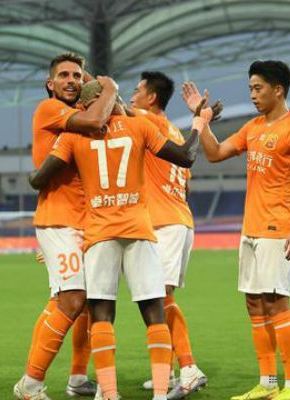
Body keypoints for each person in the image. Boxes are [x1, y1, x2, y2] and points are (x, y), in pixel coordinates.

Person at [29, 80, 219, 400]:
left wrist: (36, 180)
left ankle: (109, 393)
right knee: (154, 311)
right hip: (139, 229)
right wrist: (199, 124)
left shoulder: (73, 136)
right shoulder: (140, 126)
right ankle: (161, 393)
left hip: (99, 233)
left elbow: (39, 179)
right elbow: (187, 156)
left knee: (101, 315)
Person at [181, 59, 290, 400]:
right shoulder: (253, 127)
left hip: (277, 228)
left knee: (277, 304)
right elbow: (214, 153)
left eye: (258, 88)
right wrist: (201, 119)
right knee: (255, 305)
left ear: (278, 90)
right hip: (251, 228)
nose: (253, 95)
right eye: (250, 89)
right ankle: (268, 383)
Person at [14, 52, 119, 399]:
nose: (71, 81)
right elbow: (97, 120)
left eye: (77, 75)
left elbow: (114, 117)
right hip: (59, 219)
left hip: (85, 220)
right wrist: (109, 88)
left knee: (80, 302)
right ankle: (30, 383)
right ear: (50, 83)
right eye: (64, 75)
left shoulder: (77, 116)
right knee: (73, 299)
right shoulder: (50, 109)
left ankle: (77, 377)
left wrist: (98, 89)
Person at [129, 71, 207, 398]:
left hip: (165, 224)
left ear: (151, 98)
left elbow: (111, 104)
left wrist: (92, 82)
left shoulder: (147, 120)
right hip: (177, 218)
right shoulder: (173, 130)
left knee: (160, 298)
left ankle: (189, 368)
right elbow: (187, 184)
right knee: (157, 297)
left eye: (137, 91)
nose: (132, 96)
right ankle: (170, 370)